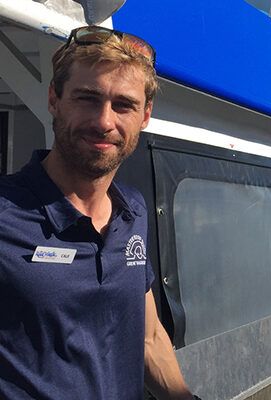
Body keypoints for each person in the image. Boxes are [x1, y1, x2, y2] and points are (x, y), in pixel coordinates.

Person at [0, 26, 195, 399]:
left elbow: (149, 338)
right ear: (54, 99)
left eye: (124, 105)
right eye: (87, 99)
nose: (105, 121)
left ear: (145, 116)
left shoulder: (132, 211)